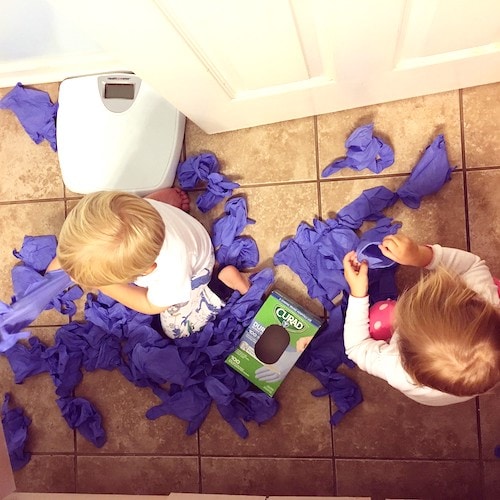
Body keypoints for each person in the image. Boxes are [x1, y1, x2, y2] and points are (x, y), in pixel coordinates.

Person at [48, 187, 250, 339]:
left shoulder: (168, 273)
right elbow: (94, 243)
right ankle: (163, 201)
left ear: (146, 271)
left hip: (196, 267)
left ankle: (223, 285)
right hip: (176, 227)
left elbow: (150, 305)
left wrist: (106, 285)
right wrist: (72, 258)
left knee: (175, 329)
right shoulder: (131, 210)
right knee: (126, 223)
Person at [342, 233, 500, 406]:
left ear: (401, 349)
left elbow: (356, 347)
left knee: (380, 317)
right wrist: (420, 255)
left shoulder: (396, 368)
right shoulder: (485, 302)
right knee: (487, 287)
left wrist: (358, 294)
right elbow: (472, 266)